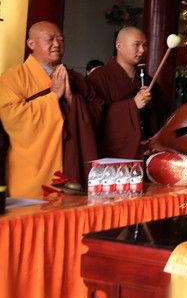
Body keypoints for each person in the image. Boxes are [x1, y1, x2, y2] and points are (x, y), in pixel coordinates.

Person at [0, 22, 98, 197]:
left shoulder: (75, 79)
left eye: (60, 38)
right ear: (31, 44)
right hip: (30, 170)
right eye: (50, 39)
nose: (57, 44)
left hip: (71, 171)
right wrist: (53, 97)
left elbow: (98, 113)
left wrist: (71, 100)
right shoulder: (13, 77)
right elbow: (12, 117)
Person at [87, 26, 161, 160]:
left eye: (145, 45)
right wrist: (132, 105)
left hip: (145, 151)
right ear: (119, 46)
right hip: (112, 152)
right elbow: (94, 115)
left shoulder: (148, 80)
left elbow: (159, 116)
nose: (142, 50)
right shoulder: (99, 77)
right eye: (136, 45)